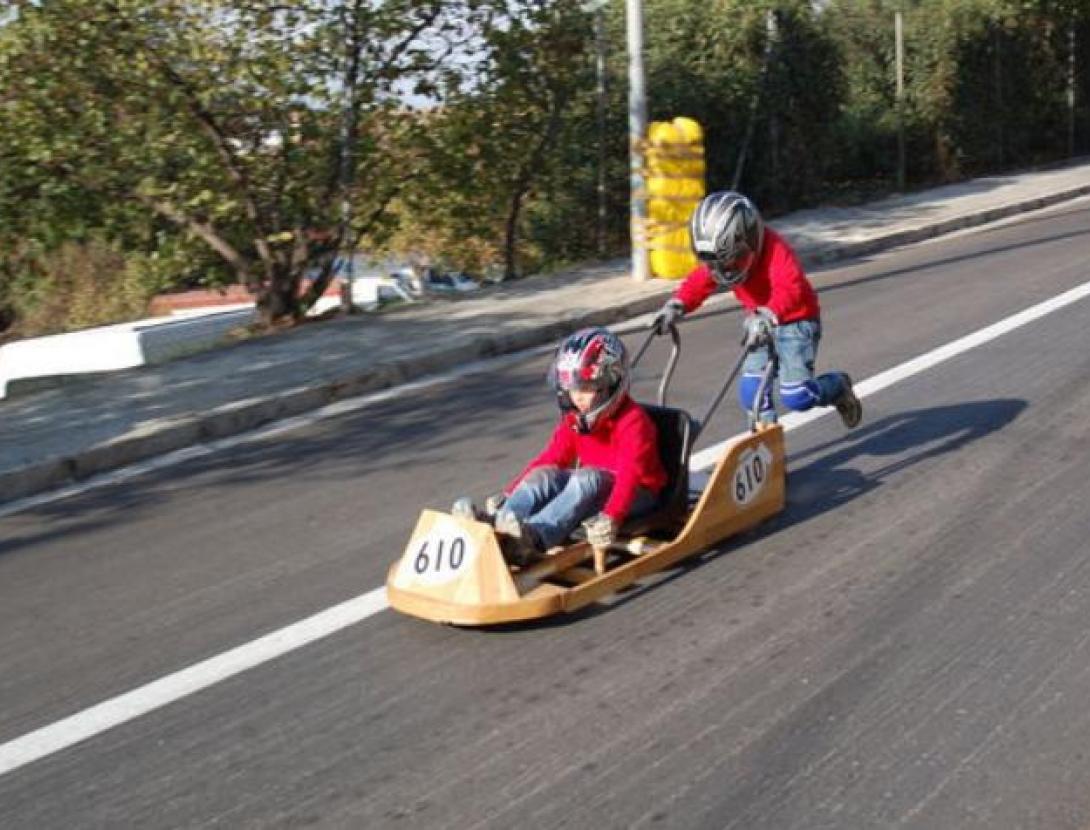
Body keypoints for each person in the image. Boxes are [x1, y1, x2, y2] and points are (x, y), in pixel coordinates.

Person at [453, 327, 668, 566]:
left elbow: (629, 475)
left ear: (610, 384)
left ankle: (532, 538)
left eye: (586, 389)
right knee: (545, 475)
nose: (577, 397)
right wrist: (509, 492)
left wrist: (612, 517)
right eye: (573, 389)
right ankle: (497, 522)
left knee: (587, 478)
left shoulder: (634, 422)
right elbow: (553, 457)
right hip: (595, 487)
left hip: (638, 494)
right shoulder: (576, 419)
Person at [652, 190, 862, 429]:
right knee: (752, 394)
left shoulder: (775, 251)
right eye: (715, 263)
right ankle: (769, 448)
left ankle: (837, 387)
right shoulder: (724, 262)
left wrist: (767, 314)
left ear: (751, 239)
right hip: (759, 324)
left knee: (797, 397)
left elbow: (789, 289)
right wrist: (677, 305)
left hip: (796, 322)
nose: (726, 270)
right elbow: (702, 280)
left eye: (733, 260)